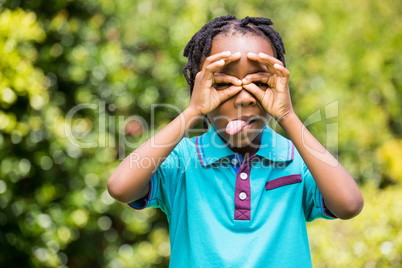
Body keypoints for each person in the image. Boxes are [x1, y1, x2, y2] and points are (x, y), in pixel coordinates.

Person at [108, 15, 364, 267]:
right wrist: (192, 113)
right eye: (222, 83)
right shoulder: (182, 160)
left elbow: (349, 205)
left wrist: (287, 116)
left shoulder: (298, 158)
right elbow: (121, 187)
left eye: (260, 83)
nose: (244, 98)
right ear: (197, 90)